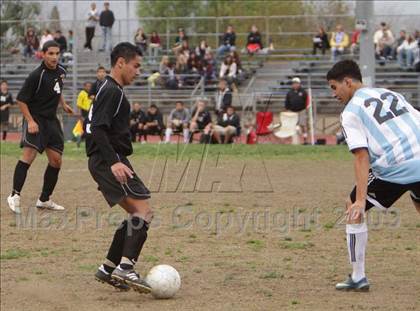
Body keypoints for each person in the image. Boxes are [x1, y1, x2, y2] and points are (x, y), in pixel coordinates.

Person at [326, 60, 420, 292]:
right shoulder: (390, 93)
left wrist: (359, 200)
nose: (333, 94)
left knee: (352, 206)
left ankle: (358, 277)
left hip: (395, 168)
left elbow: (361, 157)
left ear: (347, 81)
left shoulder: (350, 112)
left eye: (334, 87)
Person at [84, 42, 152, 292]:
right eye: (136, 66)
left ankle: (108, 269)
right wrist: (113, 162)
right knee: (142, 212)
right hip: (108, 160)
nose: (138, 71)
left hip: (110, 158)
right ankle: (126, 268)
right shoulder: (112, 91)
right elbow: (97, 129)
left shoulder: (110, 89)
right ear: (120, 63)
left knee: (139, 212)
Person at [6, 41, 74, 214]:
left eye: (57, 53)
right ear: (43, 55)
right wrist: (30, 121)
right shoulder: (36, 75)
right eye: (50, 53)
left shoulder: (62, 72)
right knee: (29, 156)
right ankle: (14, 195)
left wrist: (64, 104)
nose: (54, 57)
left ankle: (44, 199)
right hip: (35, 119)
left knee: (56, 160)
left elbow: (57, 89)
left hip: (51, 121)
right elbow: (21, 100)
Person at [285, 77, 308, 144]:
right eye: (294, 83)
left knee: (303, 125)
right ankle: (293, 140)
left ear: (299, 84)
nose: (295, 85)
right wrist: (287, 109)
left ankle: (305, 140)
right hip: (292, 111)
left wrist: (304, 108)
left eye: (296, 83)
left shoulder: (303, 92)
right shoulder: (289, 92)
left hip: (301, 111)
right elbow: (287, 102)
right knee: (292, 126)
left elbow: (306, 101)